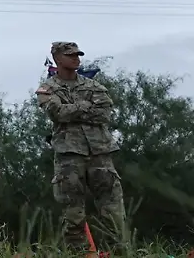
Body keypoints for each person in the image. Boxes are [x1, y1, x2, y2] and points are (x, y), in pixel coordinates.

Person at [37, 41, 127, 253]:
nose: (76, 59)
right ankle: (79, 254)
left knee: (113, 210)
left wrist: (72, 110)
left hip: (100, 153)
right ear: (58, 58)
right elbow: (56, 113)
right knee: (73, 213)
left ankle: (119, 253)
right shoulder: (48, 88)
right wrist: (86, 107)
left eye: (78, 55)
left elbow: (104, 114)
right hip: (69, 155)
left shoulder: (94, 86)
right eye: (71, 55)